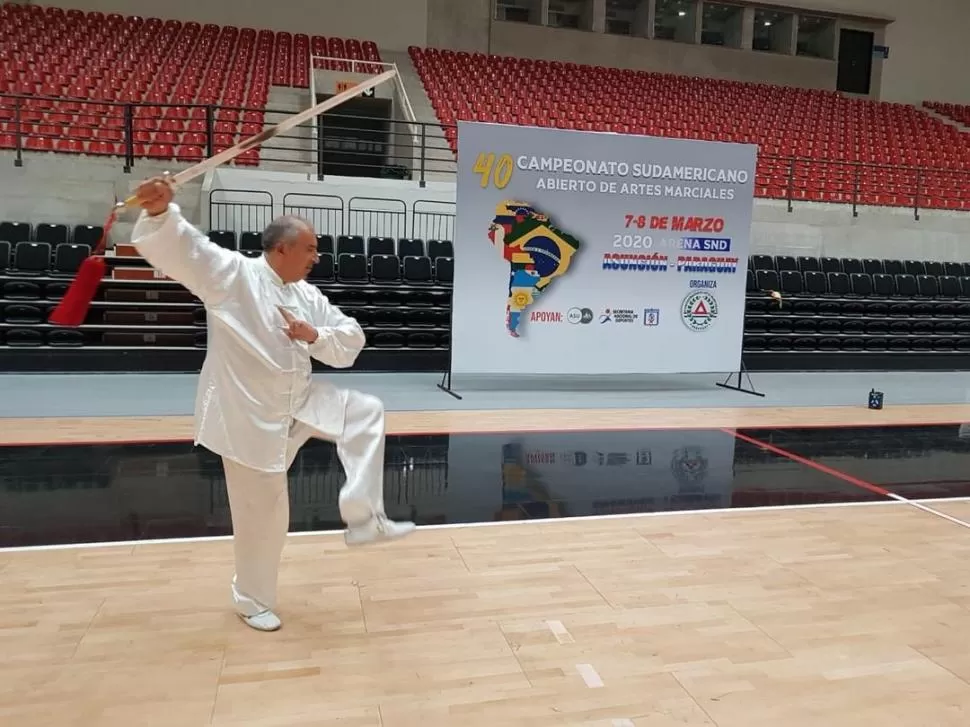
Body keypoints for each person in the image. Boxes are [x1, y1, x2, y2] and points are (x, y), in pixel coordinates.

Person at [131, 175, 415, 632]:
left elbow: (351, 338)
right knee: (265, 516)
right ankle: (249, 598)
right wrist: (162, 213)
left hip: (298, 403)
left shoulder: (307, 296)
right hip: (248, 416)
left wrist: (313, 335)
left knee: (362, 413)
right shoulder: (234, 277)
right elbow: (189, 249)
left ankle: (364, 517)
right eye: (309, 249)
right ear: (281, 249)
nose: (316, 257)